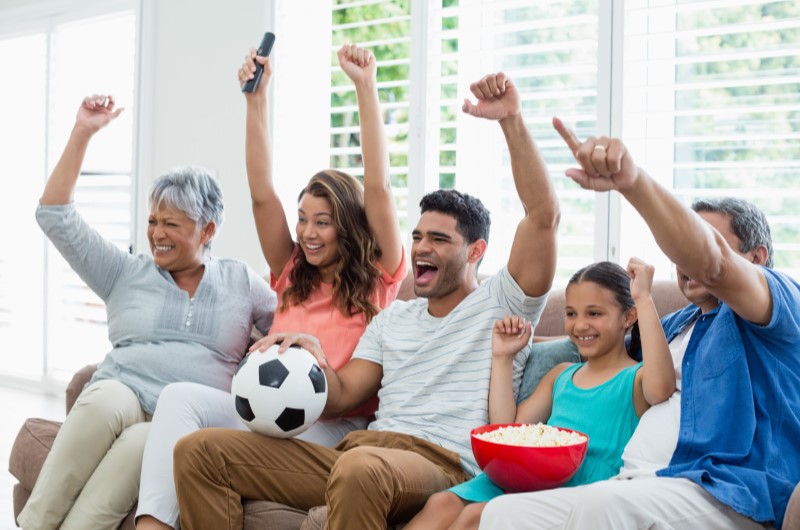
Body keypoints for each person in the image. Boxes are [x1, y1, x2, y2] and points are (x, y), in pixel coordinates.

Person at [169, 70, 559, 529]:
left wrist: (511, 120)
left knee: (360, 469)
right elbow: (341, 398)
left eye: (438, 239)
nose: (420, 248)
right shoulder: (393, 319)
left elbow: (543, 216)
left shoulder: (502, 303)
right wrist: (313, 357)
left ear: (476, 252)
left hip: (442, 464)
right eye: (417, 237)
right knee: (199, 452)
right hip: (361, 454)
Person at [134, 43, 406, 530]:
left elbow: (380, 188)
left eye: (322, 222)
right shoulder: (291, 272)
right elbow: (262, 193)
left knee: (219, 453)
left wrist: (365, 87)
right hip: (263, 405)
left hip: (332, 422)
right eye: (303, 220)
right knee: (178, 397)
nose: (307, 232)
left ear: (349, 225)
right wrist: (255, 101)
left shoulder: (378, 277)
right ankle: (153, 524)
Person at [478, 122, 800, 529]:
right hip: (639, 480)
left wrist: (632, 182)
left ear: (755, 258)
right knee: (505, 512)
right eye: (678, 247)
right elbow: (603, 353)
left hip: (725, 488)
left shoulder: (777, 303)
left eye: (694, 241)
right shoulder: (675, 326)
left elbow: (713, 261)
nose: (685, 261)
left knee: (603, 508)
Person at [16, 95, 276, 530]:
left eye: (171, 224)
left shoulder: (241, 282)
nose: (157, 234)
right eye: (153, 221)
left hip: (180, 418)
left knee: (137, 451)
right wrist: (83, 131)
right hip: (121, 390)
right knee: (102, 402)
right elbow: (55, 216)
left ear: (207, 229)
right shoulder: (124, 271)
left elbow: (287, 326)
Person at [406, 258, 676, 530]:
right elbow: (507, 429)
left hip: (583, 484)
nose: (580, 325)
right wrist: (502, 357)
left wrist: (643, 298)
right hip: (529, 474)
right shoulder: (562, 375)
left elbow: (661, 387)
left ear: (628, 316)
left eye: (594, 314)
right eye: (571, 314)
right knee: (441, 504)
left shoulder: (636, 378)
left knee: (475, 516)